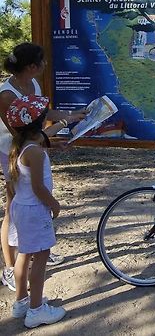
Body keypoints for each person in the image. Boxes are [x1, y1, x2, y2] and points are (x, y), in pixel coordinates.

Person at [0, 43, 85, 291]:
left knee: (26, 205)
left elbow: (41, 114)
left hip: (30, 147)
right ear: (31, 66)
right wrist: (48, 139)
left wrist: (72, 115)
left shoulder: (33, 83)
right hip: (12, 152)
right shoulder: (6, 95)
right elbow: (21, 132)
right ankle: (9, 267)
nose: (46, 64)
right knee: (13, 208)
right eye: (42, 61)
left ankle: (33, 249)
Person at [6, 94, 67, 327]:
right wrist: (54, 204)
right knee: (41, 258)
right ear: (40, 123)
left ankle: (22, 302)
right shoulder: (36, 152)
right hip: (35, 210)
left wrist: (60, 131)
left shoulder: (21, 144)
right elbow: (39, 187)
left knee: (24, 254)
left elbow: (42, 141)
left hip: (21, 207)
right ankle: (36, 310)